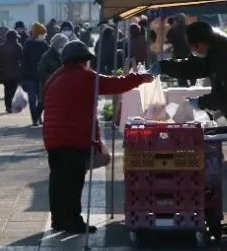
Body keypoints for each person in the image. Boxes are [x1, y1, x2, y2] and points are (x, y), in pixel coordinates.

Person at [161, 22, 227, 238]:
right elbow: (195, 67)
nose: (193, 51)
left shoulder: (225, 55)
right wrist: (164, 67)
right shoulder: (216, 50)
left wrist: (201, 103)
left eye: (193, 47)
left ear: (200, 43)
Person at [43, 40, 152, 233]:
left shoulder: (55, 77)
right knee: (74, 182)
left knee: (58, 180)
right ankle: (73, 221)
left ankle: (58, 219)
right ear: (83, 60)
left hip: (53, 138)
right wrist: (140, 78)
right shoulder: (84, 77)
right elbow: (114, 84)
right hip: (74, 138)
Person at [21, 23, 50, 126]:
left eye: (44, 33)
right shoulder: (28, 44)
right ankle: (34, 118)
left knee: (41, 100)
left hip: (41, 77)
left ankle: (38, 116)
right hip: (29, 77)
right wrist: (22, 77)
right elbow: (23, 61)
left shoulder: (45, 45)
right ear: (37, 34)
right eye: (42, 33)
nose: (44, 35)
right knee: (32, 98)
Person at [0, 30, 23, 113]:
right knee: (14, 89)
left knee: (7, 89)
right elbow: (22, 58)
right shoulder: (18, 46)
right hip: (15, 71)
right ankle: (13, 105)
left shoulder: (2, 46)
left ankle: (8, 106)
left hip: (4, 72)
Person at [39, 33, 69, 97]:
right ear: (55, 46)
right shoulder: (47, 56)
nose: (63, 48)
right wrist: (55, 76)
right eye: (61, 46)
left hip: (64, 89)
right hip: (50, 89)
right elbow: (41, 72)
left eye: (65, 46)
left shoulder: (67, 55)